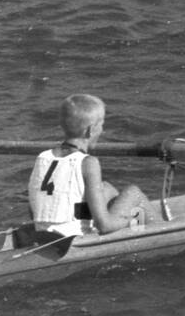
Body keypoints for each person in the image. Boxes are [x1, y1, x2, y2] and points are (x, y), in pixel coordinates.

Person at [27, 94, 149, 238]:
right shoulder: (88, 163)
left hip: (44, 232)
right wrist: (127, 220)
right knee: (134, 193)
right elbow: (104, 225)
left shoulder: (43, 157)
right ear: (90, 130)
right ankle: (151, 232)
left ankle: (139, 228)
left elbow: (33, 209)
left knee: (106, 188)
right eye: (102, 125)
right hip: (72, 238)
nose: (102, 130)